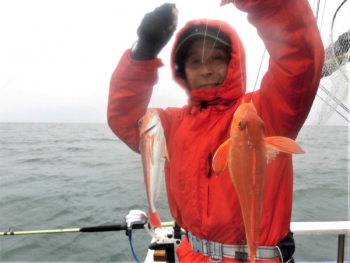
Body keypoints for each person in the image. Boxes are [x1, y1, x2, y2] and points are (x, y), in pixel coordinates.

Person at [108, 0, 324, 262]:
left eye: (217, 58)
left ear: (234, 62)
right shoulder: (170, 124)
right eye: (195, 61)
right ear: (183, 70)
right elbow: (125, 118)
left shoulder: (264, 110)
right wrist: (143, 53)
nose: (206, 69)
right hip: (191, 255)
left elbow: (299, 58)